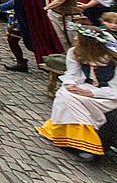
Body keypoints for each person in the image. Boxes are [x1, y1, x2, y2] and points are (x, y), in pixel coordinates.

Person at [37, 23, 117, 160]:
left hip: (107, 92)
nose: (74, 39)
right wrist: (70, 85)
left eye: (78, 38)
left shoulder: (113, 60)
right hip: (85, 85)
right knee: (65, 96)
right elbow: (72, 74)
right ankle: (74, 138)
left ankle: (89, 142)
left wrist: (92, 93)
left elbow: (114, 88)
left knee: (84, 100)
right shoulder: (74, 53)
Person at [0, 0, 65, 71]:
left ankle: (47, 61)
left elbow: (17, 1)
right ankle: (21, 62)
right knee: (12, 40)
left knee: (33, 41)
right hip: (17, 16)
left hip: (27, 18)